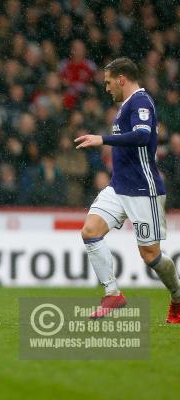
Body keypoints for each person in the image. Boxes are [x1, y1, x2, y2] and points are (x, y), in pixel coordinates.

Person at [75, 57, 180, 323]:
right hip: (118, 187)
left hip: (143, 189)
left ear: (121, 79)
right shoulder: (125, 107)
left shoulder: (141, 102)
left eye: (109, 82)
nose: (106, 87)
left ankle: (178, 297)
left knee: (150, 255)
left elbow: (143, 136)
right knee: (90, 232)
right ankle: (112, 294)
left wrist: (103, 139)